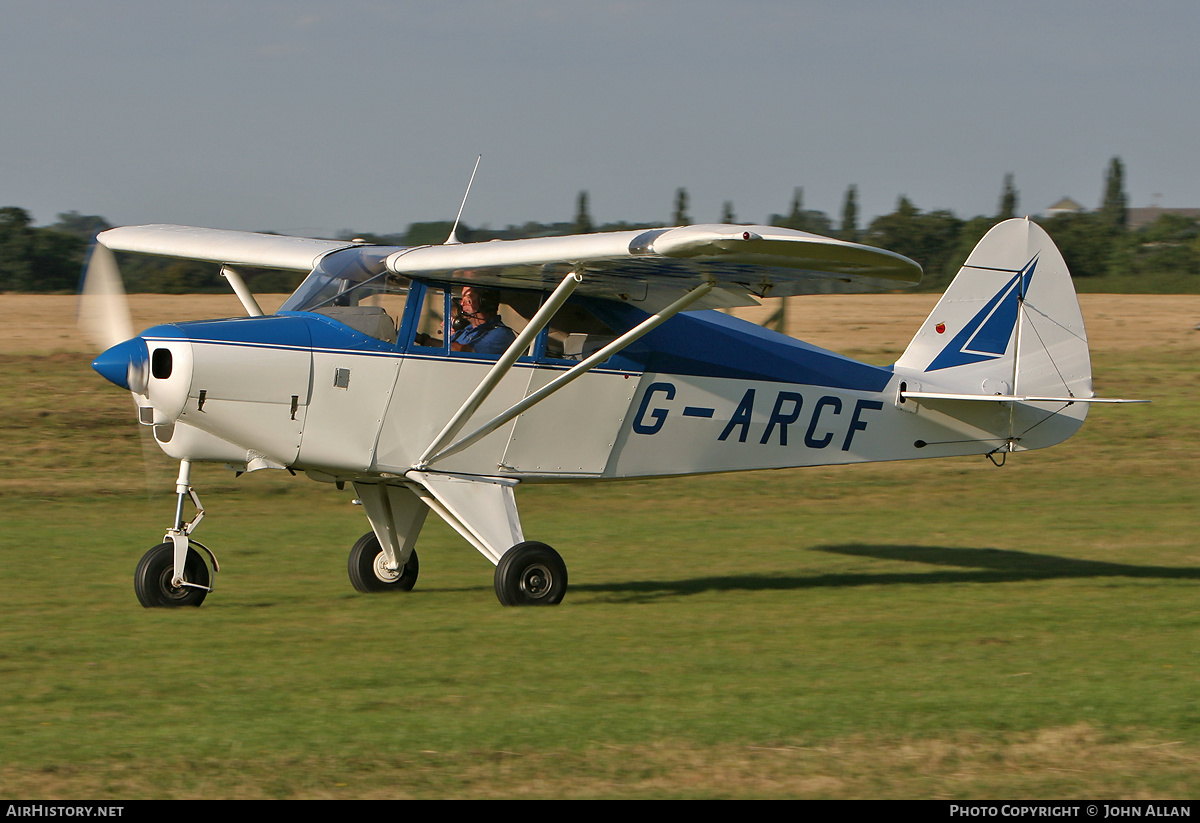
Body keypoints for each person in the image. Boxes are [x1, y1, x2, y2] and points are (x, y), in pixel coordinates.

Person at [449, 286, 516, 355]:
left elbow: (467, 352)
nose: (462, 303)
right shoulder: (463, 332)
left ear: (485, 302)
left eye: (468, 299)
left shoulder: (501, 334)